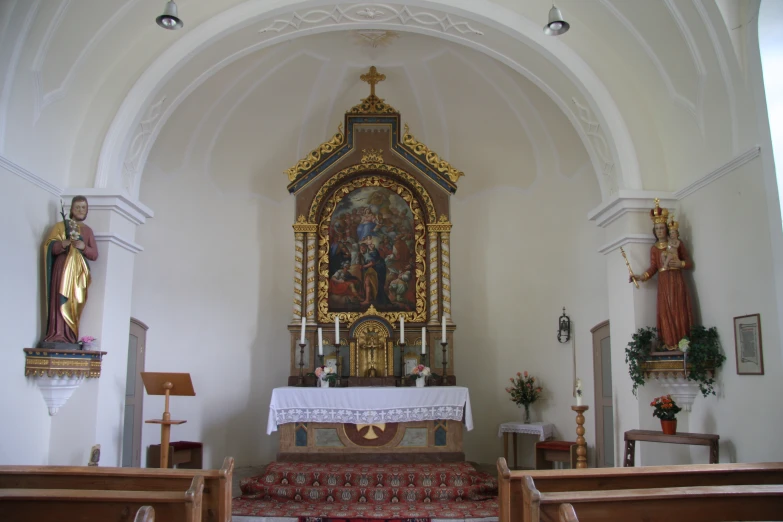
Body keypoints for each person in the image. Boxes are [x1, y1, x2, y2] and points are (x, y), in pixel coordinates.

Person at [629, 199, 693, 349]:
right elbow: (653, 267)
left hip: (677, 281)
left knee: (679, 310)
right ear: (654, 231)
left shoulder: (678, 243)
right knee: (666, 312)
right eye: (656, 228)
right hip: (664, 283)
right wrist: (641, 276)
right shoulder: (655, 248)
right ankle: (669, 342)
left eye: (661, 228)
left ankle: (682, 343)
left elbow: (689, 262)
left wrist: (681, 264)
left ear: (666, 229)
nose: (659, 231)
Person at [42, 196, 99, 344]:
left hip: (79, 272)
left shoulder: (88, 231)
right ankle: (57, 333)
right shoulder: (61, 226)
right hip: (62, 268)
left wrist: (83, 247)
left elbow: (94, 254)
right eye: (78, 207)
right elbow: (50, 248)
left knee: (75, 302)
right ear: (71, 209)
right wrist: (63, 244)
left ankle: (70, 335)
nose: (81, 210)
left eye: (83, 208)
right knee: (60, 298)